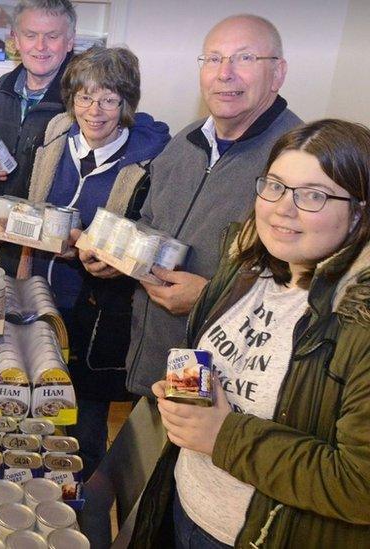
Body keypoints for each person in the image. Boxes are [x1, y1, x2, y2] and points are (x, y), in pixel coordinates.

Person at [131, 119, 370, 548]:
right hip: (186, 506)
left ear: (359, 212)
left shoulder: (359, 324)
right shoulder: (246, 267)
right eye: (275, 185)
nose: (282, 207)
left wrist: (221, 435)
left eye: (313, 195)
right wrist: (185, 396)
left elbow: (359, 486)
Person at [114, 14, 301, 398]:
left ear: (278, 73)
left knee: (201, 456)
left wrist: (211, 297)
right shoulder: (185, 141)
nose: (224, 73)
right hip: (160, 366)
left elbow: (308, 288)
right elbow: (151, 222)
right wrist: (115, 254)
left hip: (228, 389)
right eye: (213, 59)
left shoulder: (299, 159)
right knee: (148, 455)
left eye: (245, 58)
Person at [21, 46, 169, 479]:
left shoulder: (148, 164)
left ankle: (82, 511)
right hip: (40, 300)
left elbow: (151, 242)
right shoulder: (53, 137)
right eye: (84, 98)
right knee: (32, 407)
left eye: (108, 99)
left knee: (82, 430)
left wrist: (108, 258)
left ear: (126, 104)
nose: (95, 111)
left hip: (96, 314)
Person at [0, 0, 77, 274]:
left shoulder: (82, 102)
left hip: (53, 259)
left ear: (70, 41)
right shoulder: (0, 90)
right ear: (15, 40)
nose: (40, 46)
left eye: (52, 36)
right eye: (30, 35)